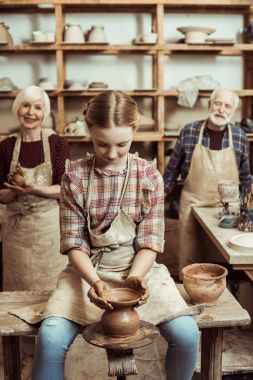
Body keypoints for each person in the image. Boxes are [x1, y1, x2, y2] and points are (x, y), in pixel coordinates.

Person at [10, 91, 201, 380]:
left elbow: (150, 241)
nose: (111, 153)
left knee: (187, 334)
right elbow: (74, 243)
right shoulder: (74, 177)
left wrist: (136, 278)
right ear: (90, 133)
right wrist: (95, 281)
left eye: (121, 145)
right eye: (102, 144)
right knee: (50, 338)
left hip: (140, 271)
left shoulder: (148, 176)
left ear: (135, 131)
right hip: (88, 272)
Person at [0, 85, 69, 377]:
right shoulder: (5, 146)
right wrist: (14, 192)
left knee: (51, 293)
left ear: (45, 112)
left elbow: (65, 189)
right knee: (19, 294)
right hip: (17, 232)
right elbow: (1, 195)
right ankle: (26, 352)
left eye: (38, 107)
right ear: (18, 108)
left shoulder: (56, 143)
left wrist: (34, 187)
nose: (31, 112)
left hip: (48, 230)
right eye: (26, 106)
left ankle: (52, 349)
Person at [163, 88, 252, 275]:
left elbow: (245, 179)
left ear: (233, 111)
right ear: (210, 105)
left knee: (224, 266)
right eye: (218, 103)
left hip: (228, 213)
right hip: (193, 207)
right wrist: (154, 201)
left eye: (227, 106)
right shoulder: (190, 131)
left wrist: (249, 212)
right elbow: (171, 173)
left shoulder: (239, 136)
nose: (221, 109)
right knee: (191, 264)